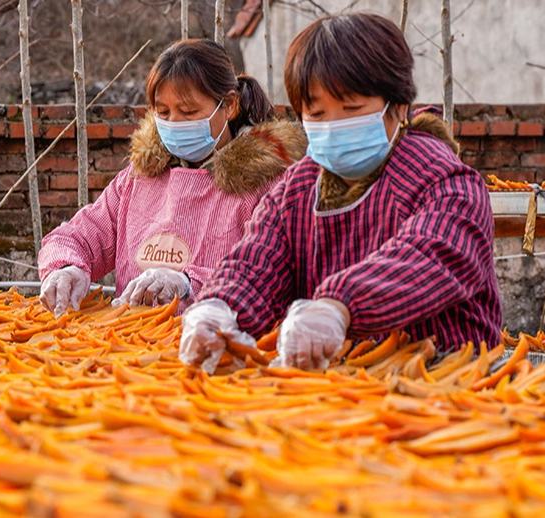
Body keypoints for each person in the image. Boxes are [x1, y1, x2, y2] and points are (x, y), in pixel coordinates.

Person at [179, 13, 502, 373]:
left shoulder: (443, 179)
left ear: (397, 105)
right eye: (316, 114)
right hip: (339, 391)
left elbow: (431, 254)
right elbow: (258, 260)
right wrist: (219, 306)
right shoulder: (297, 189)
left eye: (351, 109)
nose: (332, 127)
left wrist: (339, 305)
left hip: (448, 381)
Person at [38, 39, 306, 316]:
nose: (175, 122)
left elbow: (270, 274)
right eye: (163, 112)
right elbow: (79, 235)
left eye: (188, 111)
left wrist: (188, 284)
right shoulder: (138, 178)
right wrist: (65, 268)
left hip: (217, 344)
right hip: (126, 347)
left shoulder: (267, 185)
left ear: (229, 105)